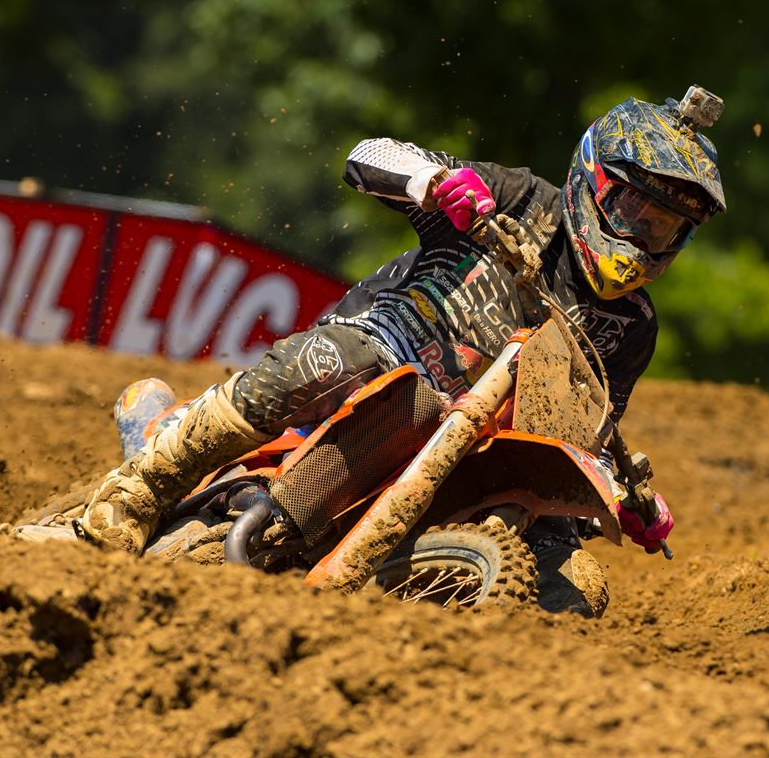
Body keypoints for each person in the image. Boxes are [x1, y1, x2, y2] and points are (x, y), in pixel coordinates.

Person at [79, 85, 727, 615]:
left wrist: (611, 500)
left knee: (578, 585)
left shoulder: (633, 326)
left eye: (666, 223)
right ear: (594, 181)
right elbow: (369, 153)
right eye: (636, 207)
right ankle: (137, 492)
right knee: (331, 362)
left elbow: (588, 432)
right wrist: (433, 182)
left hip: (484, 444)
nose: (645, 232)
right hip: (393, 350)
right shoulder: (519, 199)